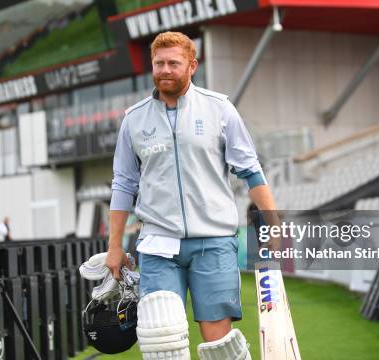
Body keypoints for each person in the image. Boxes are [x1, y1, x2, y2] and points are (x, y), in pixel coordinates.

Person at [105, 31, 278, 359]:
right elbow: (123, 184)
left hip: (213, 242)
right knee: (162, 340)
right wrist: (114, 246)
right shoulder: (134, 119)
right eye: (159, 63)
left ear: (192, 65)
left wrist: (273, 222)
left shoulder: (220, 109)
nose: (165, 70)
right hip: (158, 244)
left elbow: (251, 170)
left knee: (217, 343)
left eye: (174, 63)